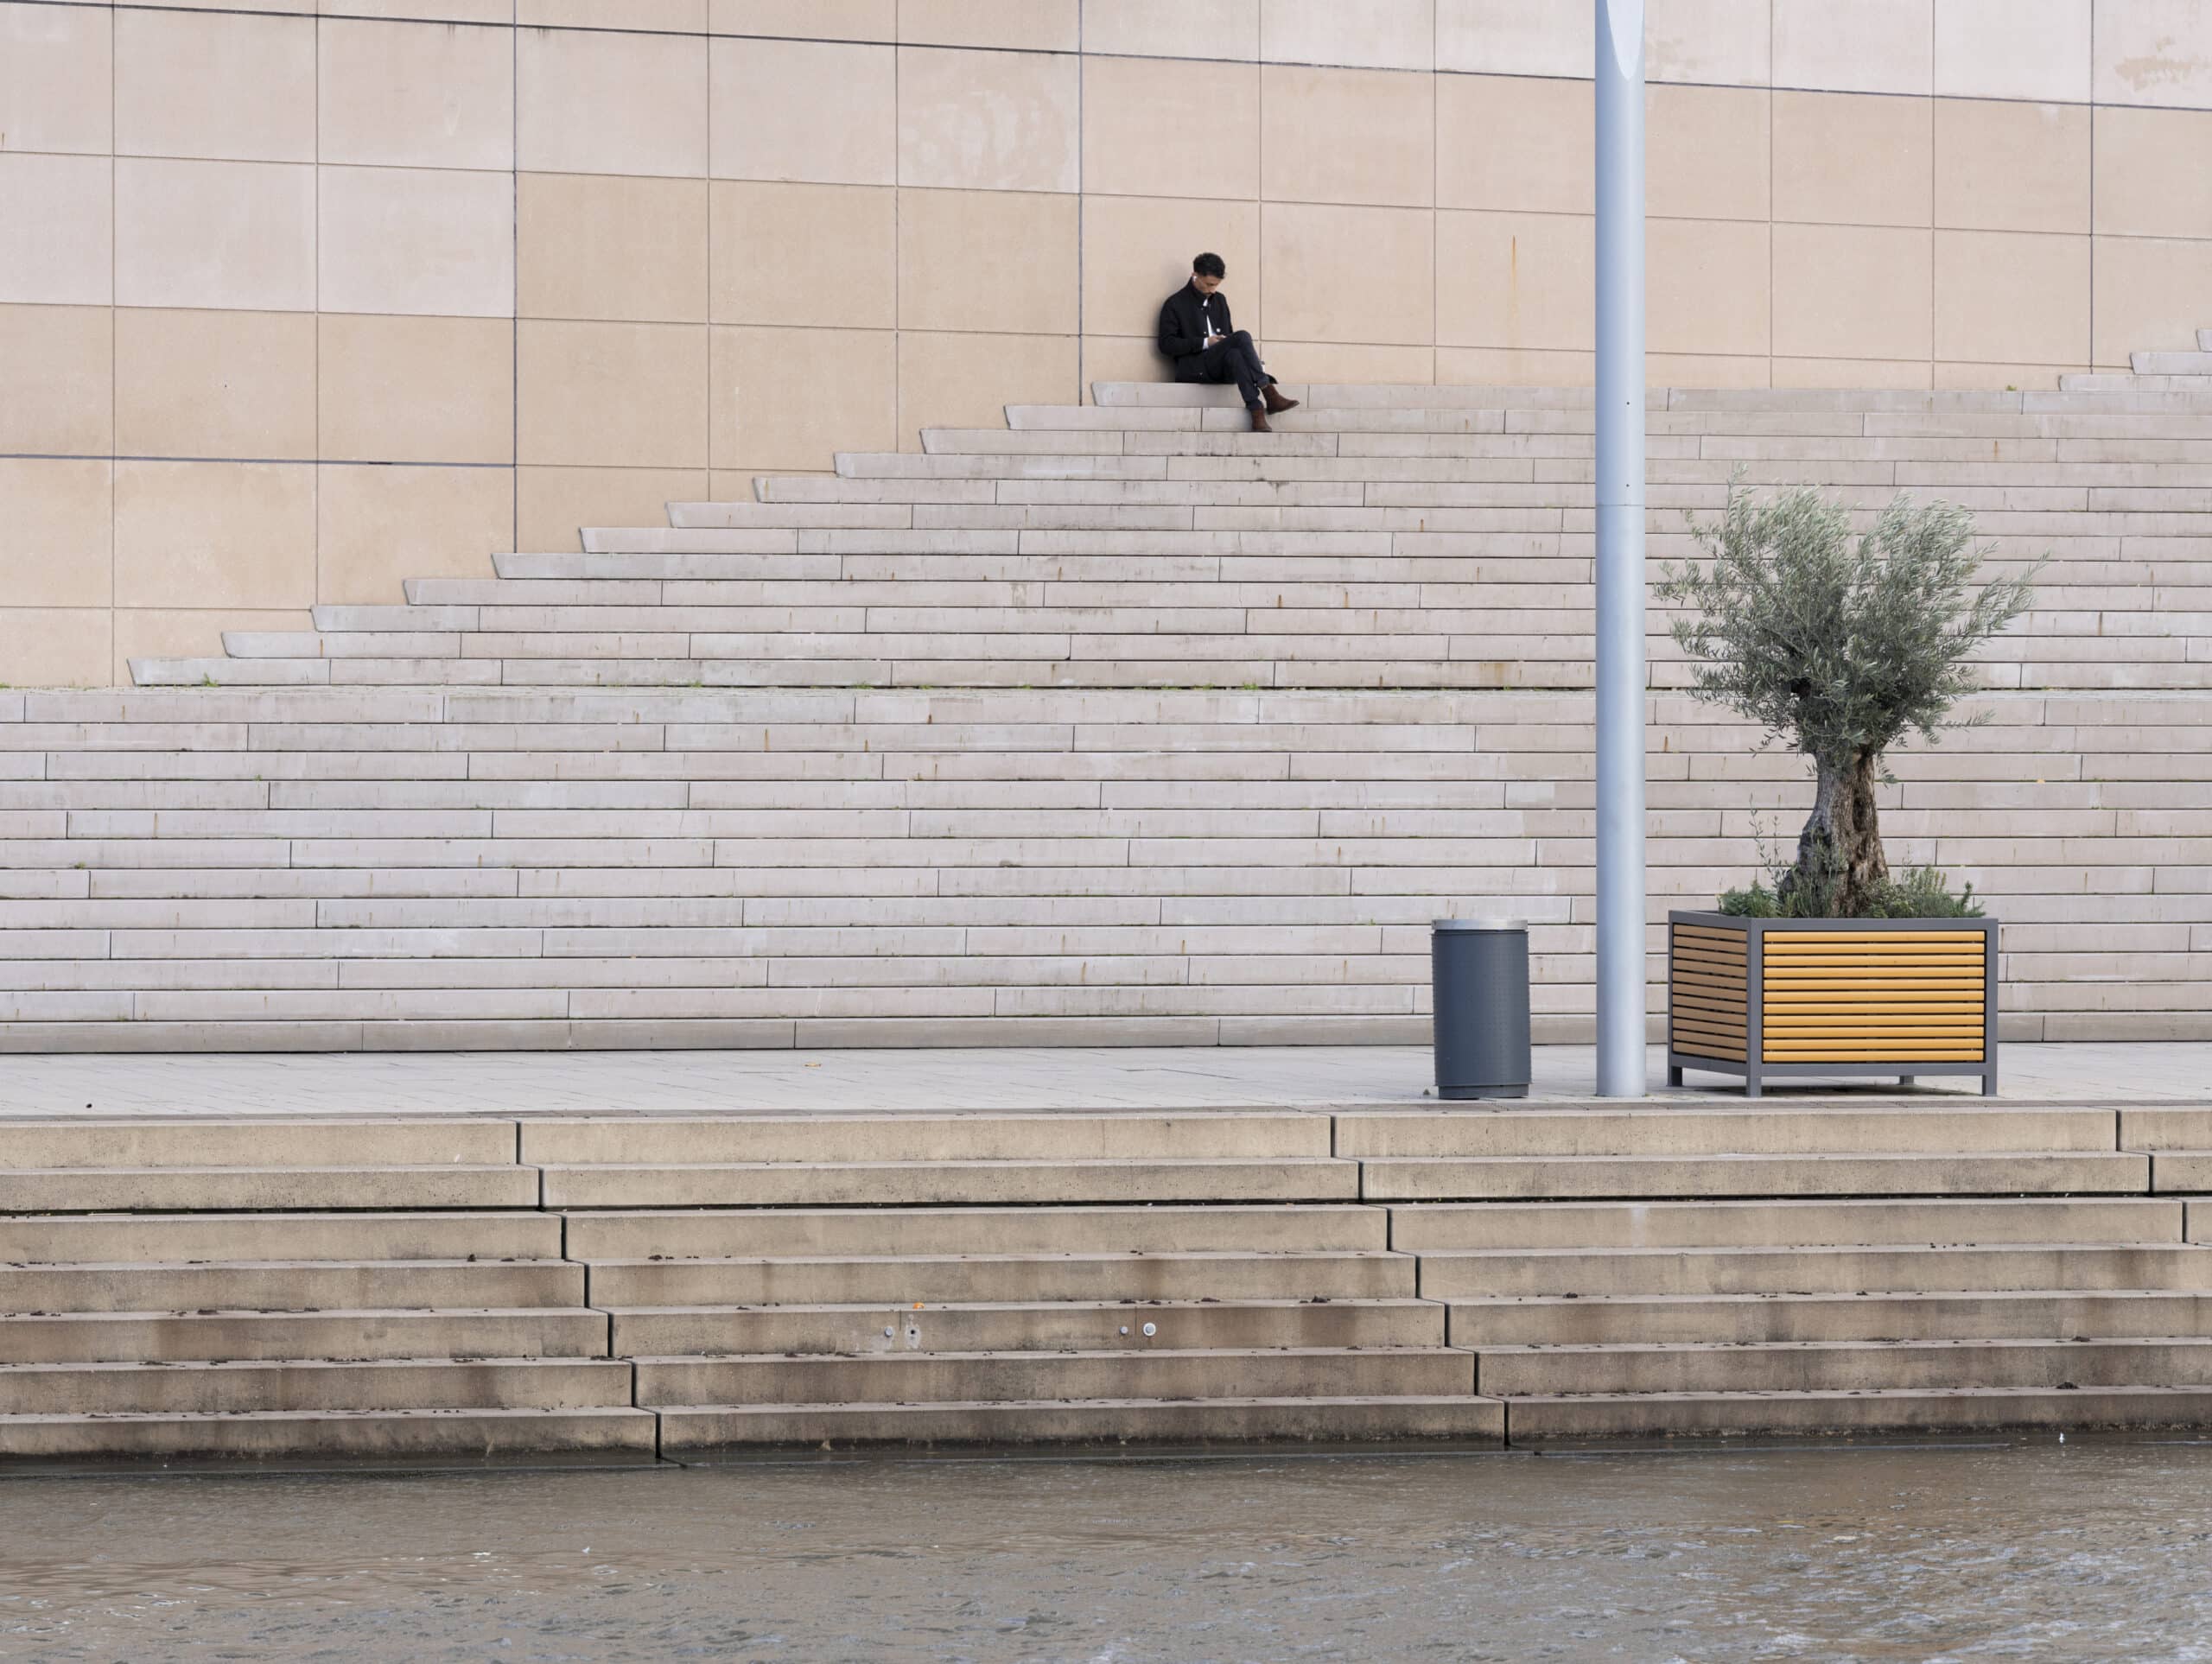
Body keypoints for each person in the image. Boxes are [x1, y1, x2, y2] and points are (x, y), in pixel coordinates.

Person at [1157, 253, 1299, 432]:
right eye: (1209, 284)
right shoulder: (1175, 303)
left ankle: (1256, 410)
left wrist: (1241, 355)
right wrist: (1205, 343)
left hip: (1222, 366)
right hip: (1195, 368)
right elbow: (1166, 345)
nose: (1213, 290)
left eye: (1216, 285)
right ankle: (1268, 392)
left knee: (1235, 353)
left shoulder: (1220, 301)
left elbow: (1230, 338)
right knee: (1242, 336)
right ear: (1195, 275)